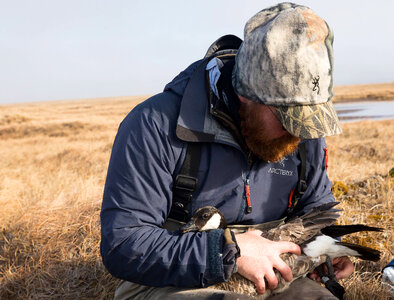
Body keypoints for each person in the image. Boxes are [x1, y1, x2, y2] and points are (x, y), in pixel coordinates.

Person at [101, 2, 353, 299]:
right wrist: (230, 252)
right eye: (287, 117)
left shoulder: (302, 132)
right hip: (177, 282)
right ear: (245, 93)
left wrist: (324, 252)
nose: (298, 133)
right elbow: (124, 244)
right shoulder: (155, 124)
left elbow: (316, 209)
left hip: (277, 277)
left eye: (308, 117)